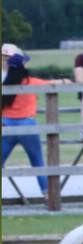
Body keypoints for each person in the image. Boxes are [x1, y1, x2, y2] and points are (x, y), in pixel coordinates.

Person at [2, 51, 69, 200]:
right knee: (37, 161)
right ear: (23, 67)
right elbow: (51, 84)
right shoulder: (31, 82)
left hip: (7, 125)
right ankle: (47, 194)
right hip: (28, 125)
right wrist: (65, 81)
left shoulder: (5, 84)